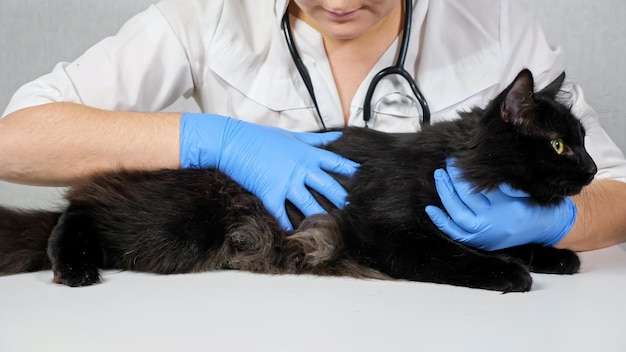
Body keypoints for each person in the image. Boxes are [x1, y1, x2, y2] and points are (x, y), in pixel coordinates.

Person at [1, 0, 625, 251]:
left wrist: (557, 221)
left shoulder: (496, 24)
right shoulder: (210, 12)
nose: (340, 0)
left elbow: (619, 193)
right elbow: (17, 140)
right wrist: (214, 138)